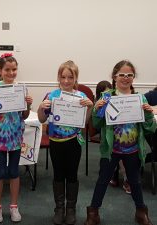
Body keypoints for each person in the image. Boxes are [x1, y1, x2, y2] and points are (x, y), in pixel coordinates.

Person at [84, 60, 157, 225]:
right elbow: (96, 124)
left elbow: (150, 128)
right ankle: (93, 212)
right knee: (103, 180)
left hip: (132, 149)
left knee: (135, 181)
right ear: (114, 77)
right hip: (111, 149)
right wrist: (97, 110)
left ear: (133, 77)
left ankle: (141, 212)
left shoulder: (140, 98)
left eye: (129, 75)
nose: (125, 78)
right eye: (122, 75)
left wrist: (148, 114)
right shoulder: (107, 97)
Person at [38, 60, 93, 225]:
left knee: (72, 175)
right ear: (59, 77)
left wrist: (89, 107)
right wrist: (41, 108)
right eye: (63, 77)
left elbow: (85, 122)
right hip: (56, 142)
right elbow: (42, 119)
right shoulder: (52, 96)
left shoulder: (81, 97)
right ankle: (59, 208)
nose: (67, 81)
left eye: (71, 77)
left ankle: (71, 209)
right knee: (58, 175)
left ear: (76, 78)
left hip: (73, 142)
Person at [0, 53, 33, 223]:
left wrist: (28, 104)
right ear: (0, 70)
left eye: (14, 69)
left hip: (15, 135)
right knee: (0, 171)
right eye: (7, 69)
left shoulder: (21, 88)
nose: (11, 73)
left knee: (14, 171)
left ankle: (14, 206)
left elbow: (25, 115)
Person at [96, 81, 132, 194]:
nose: (107, 95)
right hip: (107, 135)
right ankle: (115, 176)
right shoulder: (99, 104)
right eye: (104, 93)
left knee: (122, 155)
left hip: (121, 134)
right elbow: (98, 123)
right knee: (110, 157)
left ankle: (126, 179)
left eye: (109, 92)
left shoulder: (119, 100)